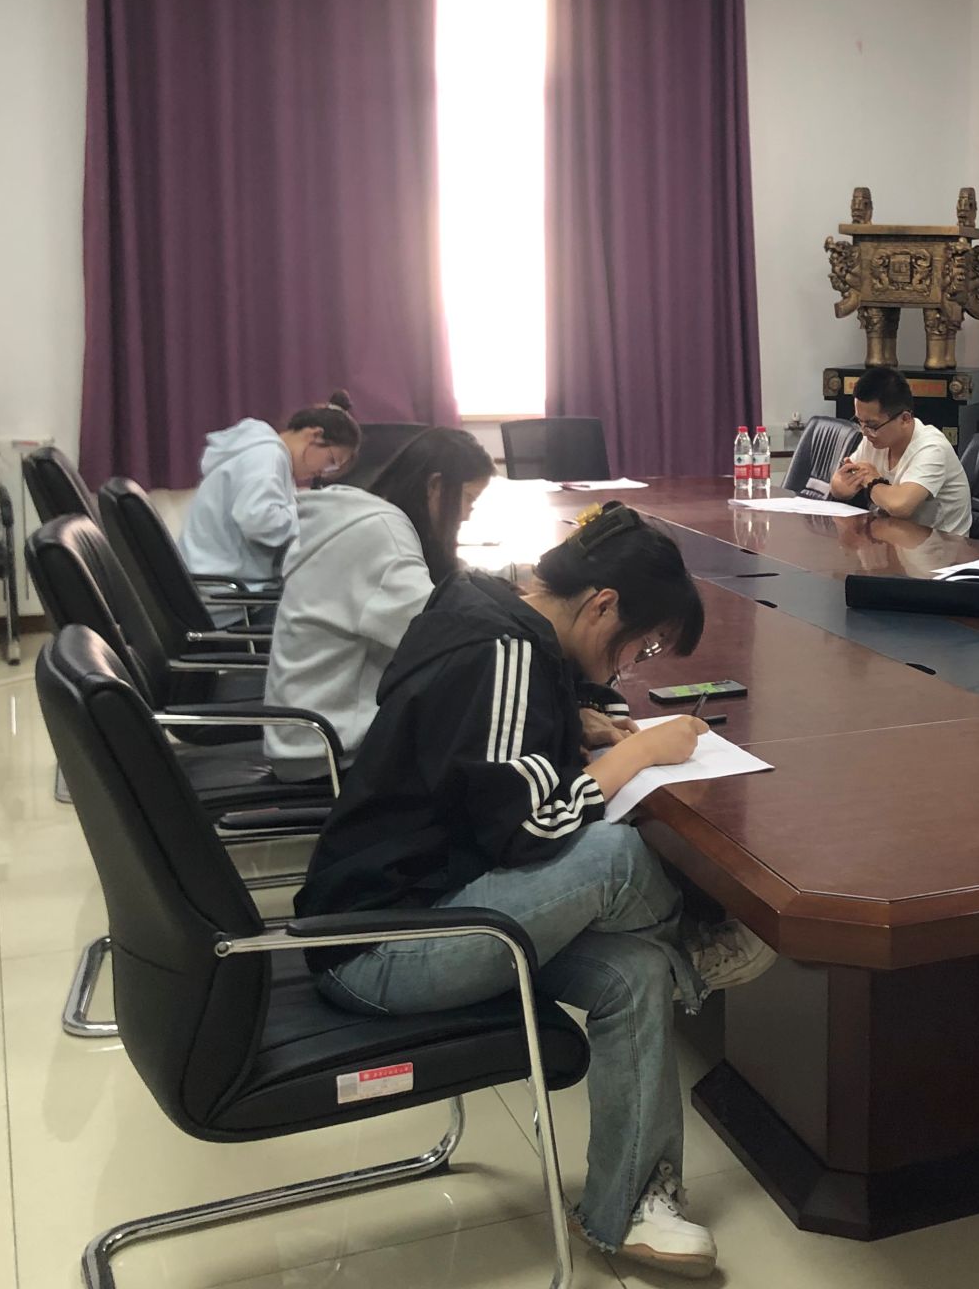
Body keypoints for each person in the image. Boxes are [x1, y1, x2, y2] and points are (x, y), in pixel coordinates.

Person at [294, 503, 774, 1278]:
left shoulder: (491, 607)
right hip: (380, 945)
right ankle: (696, 951)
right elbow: (530, 825)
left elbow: (487, 754)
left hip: (450, 905)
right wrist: (634, 754)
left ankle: (626, 1209)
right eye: (641, 644)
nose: (633, 664)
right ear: (602, 605)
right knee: (616, 855)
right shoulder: (502, 651)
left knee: (634, 973)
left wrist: (580, 722)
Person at [263, 428, 494, 761]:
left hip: (309, 731)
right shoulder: (379, 534)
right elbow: (438, 635)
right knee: (496, 706)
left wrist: (497, 584)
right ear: (435, 486)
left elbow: (440, 595)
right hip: (331, 750)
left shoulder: (362, 515)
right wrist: (524, 612)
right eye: (469, 498)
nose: (469, 513)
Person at [180, 391, 363, 606]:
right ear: (314, 435)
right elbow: (258, 520)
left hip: (214, 586)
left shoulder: (262, 453)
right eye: (331, 461)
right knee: (334, 608)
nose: (323, 472)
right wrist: (312, 515)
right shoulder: (266, 456)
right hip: (229, 595)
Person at [826, 367, 973, 535]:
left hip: (942, 545)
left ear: (905, 419)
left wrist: (871, 480)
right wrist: (841, 487)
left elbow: (901, 506)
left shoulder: (932, 448)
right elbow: (838, 483)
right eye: (860, 422)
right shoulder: (874, 438)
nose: (865, 433)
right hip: (894, 538)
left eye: (872, 425)